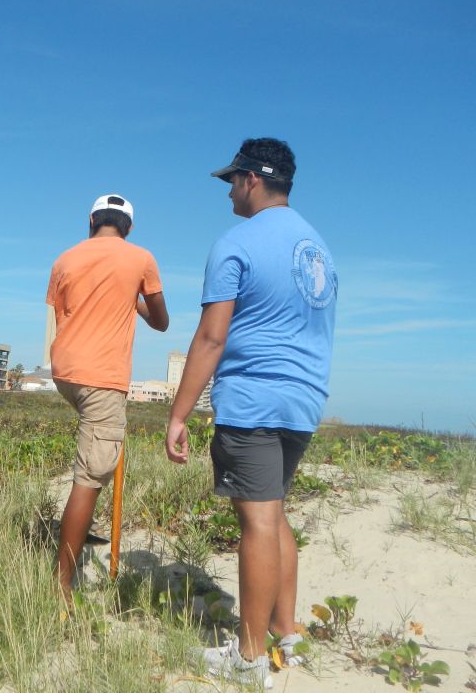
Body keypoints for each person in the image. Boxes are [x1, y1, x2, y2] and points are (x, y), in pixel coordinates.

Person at [165, 138, 337, 688]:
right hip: (304, 399)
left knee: (257, 521)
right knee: (275, 512)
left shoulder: (237, 242)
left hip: (253, 398)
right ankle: (286, 633)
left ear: (252, 179)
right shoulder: (318, 249)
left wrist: (179, 414)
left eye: (231, 181)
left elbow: (213, 336)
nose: (229, 193)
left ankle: (249, 656)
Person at [47, 194, 168, 600]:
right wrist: (130, 295)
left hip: (65, 371)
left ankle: (78, 538)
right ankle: (62, 585)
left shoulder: (64, 258)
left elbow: (62, 311)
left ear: (92, 219)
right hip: (103, 375)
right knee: (92, 476)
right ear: (128, 227)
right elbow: (161, 322)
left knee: (92, 459)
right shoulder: (141, 258)